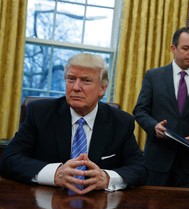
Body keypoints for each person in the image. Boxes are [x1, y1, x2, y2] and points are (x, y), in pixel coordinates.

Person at [0, 53, 148, 195]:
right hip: (45, 201)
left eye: (86, 81)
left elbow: (140, 169)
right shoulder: (40, 113)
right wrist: (54, 174)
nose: (76, 87)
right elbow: (9, 159)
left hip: (98, 204)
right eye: (71, 79)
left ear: (102, 88)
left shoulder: (121, 122)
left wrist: (107, 178)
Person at [133, 27, 189, 188]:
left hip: (188, 164)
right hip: (157, 160)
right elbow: (140, 110)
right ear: (173, 48)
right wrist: (154, 126)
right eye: (186, 48)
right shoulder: (154, 76)